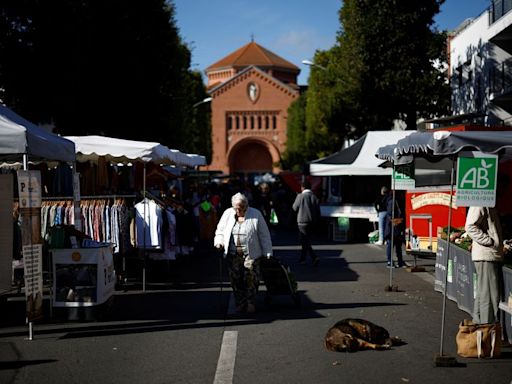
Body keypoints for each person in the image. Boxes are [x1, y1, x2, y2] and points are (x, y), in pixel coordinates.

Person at [214, 192, 273, 314]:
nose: (237, 210)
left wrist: (267, 251)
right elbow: (220, 230)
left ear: (246, 206)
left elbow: (264, 235)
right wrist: (219, 242)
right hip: (233, 254)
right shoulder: (227, 213)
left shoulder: (255, 214)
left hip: (251, 254)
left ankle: (250, 303)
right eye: (235, 208)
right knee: (236, 280)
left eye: (240, 208)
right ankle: (240, 302)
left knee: (251, 279)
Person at [465, 205, 504, 324]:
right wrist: (490, 241)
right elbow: (470, 227)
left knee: (484, 294)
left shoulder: (487, 202)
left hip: (487, 255)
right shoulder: (480, 203)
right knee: (489, 297)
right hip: (486, 255)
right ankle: (486, 330)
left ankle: (480, 328)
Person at [292, 180, 321, 266]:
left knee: (304, 240)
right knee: (305, 240)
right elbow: (318, 211)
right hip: (312, 221)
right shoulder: (314, 197)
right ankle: (303, 258)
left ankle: (313, 257)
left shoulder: (300, 196)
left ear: (302, 187)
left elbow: (294, 208)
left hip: (302, 221)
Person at [383, 191, 405, 268]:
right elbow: (390, 215)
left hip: (395, 226)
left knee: (397, 245)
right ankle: (390, 262)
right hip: (392, 227)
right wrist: (397, 221)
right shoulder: (392, 201)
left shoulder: (394, 200)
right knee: (392, 245)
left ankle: (399, 261)